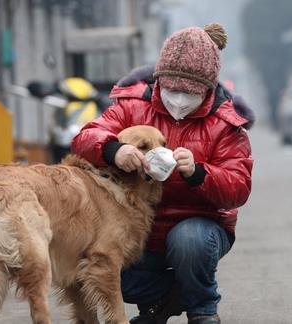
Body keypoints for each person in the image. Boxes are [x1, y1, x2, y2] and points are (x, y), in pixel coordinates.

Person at [72, 23, 254, 324]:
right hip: (135, 224)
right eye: (172, 88)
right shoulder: (131, 106)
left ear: (207, 88)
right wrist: (113, 150)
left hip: (197, 227)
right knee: (103, 270)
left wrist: (198, 173)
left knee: (190, 242)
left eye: (189, 91)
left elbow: (238, 188)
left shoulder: (225, 123)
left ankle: (202, 310)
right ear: (159, 80)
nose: (179, 98)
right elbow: (85, 138)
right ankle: (164, 300)